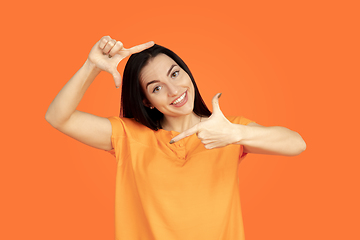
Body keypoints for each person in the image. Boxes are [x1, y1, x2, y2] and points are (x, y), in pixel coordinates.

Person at [45, 36, 306, 240]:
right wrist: (91, 66)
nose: (174, 90)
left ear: (186, 71)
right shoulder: (128, 136)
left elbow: (296, 143)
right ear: (146, 101)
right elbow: (58, 117)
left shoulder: (226, 131)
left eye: (175, 73)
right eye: (156, 87)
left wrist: (237, 134)